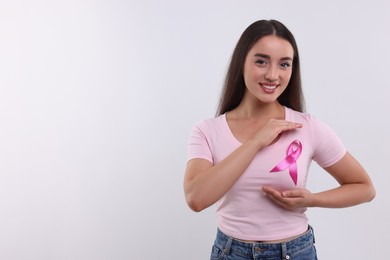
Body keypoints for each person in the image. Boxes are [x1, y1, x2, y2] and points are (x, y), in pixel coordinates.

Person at [183, 19, 376, 260]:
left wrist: (314, 199)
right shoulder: (207, 131)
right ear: (241, 62)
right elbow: (196, 198)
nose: (273, 75)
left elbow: (364, 188)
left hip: (295, 252)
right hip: (231, 253)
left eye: (284, 64)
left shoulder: (307, 127)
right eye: (261, 61)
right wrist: (256, 142)